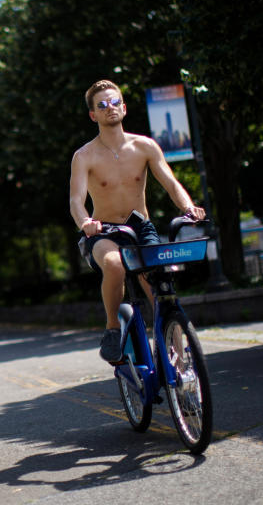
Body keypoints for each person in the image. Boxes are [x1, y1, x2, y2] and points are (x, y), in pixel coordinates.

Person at [69, 79, 205, 363]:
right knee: (115, 264)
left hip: (140, 228)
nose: (110, 108)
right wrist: (85, 222)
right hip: (104, 232)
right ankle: (112, 328)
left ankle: (179, 360)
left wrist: (188, 206)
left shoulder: (144, 146)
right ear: (93, 115)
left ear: (124, 107)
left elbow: (171, 183)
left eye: (115, 102)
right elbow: (76, 201)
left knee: (159, 288)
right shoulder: (84, 156)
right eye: (102, 105)